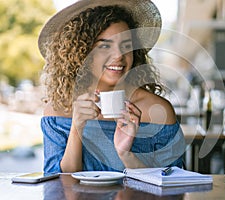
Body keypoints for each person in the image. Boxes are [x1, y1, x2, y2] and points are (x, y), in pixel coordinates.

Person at [39, 0, 186, 173]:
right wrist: (76, 129)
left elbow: (174, 181)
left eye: (126, 46)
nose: (119, 55)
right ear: (82, 52)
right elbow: (56, 181)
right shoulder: (57, 110)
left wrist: (126, 154)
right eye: (105, 46)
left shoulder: (158, 110)